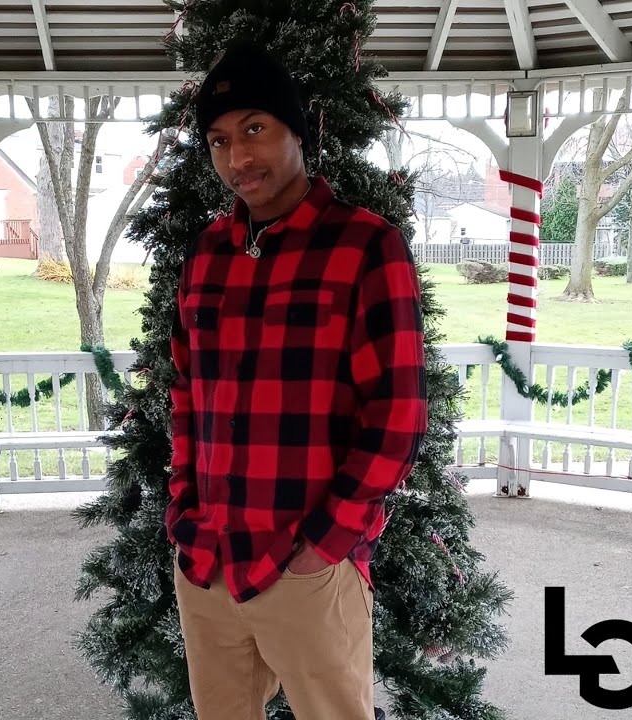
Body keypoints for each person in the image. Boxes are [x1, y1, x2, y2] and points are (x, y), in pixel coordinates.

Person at [164, 42, 429, 720]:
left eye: (255, 129)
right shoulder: (205, 255)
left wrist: (326, 544)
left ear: (298, 131)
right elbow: (187, 395)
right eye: (220, 140)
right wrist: (183, 511)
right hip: (208, 560)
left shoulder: (365, 246)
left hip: (306, 565)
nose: (238, 158)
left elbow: (397, 415)